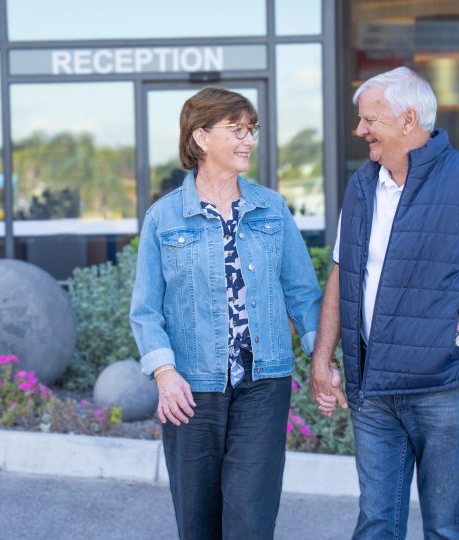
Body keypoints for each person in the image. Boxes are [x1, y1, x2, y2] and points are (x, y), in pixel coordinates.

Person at [310, 67, 459, 540]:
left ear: (408, 120)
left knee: (445, 528)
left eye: (370, 119)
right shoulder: (363, 186)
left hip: (446, 387)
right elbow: (343, 273)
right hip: (373, 389)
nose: (360, 130)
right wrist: (323, 357)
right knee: (375, 524)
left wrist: (452, 334)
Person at [130, 87, 322, 540]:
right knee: (198, 523)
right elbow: (145, 311)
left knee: (250, 522)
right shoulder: (165, 219)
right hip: (191, 388)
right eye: (237, 130)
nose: (249, 140)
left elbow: (302, 292)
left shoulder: (271, 208)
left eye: (251, 130)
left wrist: (320, 360)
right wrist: (164, 374)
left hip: (264, 383)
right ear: (200, 137)